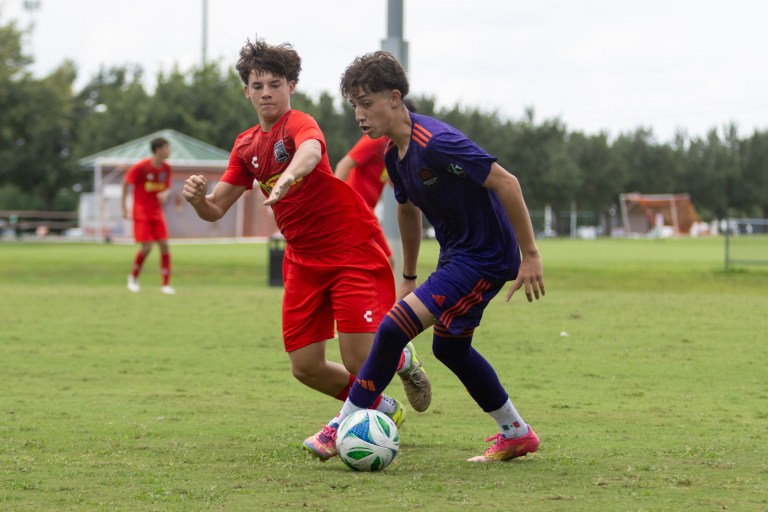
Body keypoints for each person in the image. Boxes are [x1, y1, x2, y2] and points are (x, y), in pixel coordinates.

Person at [181, 39, 432, 457]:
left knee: (358, 360)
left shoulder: (299, 123)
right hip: (302, 261)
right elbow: (216, 208)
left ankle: (400, 362)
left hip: (351, 249)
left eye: (274, 84)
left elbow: (311, 151)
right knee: (306, 368)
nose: (266, 93)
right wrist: (196, 200)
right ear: (246, 90)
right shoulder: (245, 147)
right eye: (257, 85)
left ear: (290, 86)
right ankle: (383, 407)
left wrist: (289, 176)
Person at [304, 51, 546, 463]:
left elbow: (507, 182)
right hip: (457, 258)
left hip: (485, 258)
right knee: (450, 349)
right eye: (354, 106)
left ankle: (339, 425)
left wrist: (531, 255)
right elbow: (407, 210)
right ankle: (516, 432)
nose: (359, 115)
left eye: (367, 103)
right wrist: (410, 275)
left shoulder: (437, 143)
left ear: (395, 98)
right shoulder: (392, 157)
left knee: (393, 329)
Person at [334, 99, 418, 269]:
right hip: (357, 208)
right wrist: (335, 205)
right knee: (386, 262)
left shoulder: (393, 147)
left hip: (366, 211)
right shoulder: (375, 140)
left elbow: (396, 185)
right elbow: (343, 165)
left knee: (365, 265)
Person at [122, 137, 176, 295]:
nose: (169, 151)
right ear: (158, 150)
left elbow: (167, 188)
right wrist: (124, 207)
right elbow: (126, 183)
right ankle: (133, 277)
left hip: (157, 212)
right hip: (141, 212)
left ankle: (165, 284)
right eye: (167, 148)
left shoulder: (166, 168)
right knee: (146, 248)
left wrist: (165, 194)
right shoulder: (141, 167)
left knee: (164, 245)